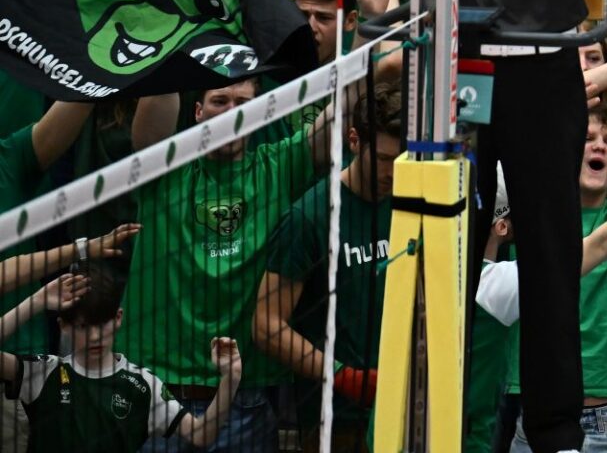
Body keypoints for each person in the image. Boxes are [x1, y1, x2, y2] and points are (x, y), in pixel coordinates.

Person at [357, 0, 607, 453]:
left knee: (549, 253)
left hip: (544, 74)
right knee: (446, 247)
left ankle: (555, 433)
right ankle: (430, 422)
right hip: (460, 71)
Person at [120, 77, 329, 453]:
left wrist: (368, 33)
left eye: (242, 102)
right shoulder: (164, 170)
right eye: (219, 101)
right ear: (197, 112)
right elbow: (156, 106)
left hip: (242, 400)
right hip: (156, 393)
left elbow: (341, 107)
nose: (231, 112)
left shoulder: (277, 167)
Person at [252, 82, 402, 447]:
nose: (393, 173)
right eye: (383, 159)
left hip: (402, 405)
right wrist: (342, 376)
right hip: (335, 418)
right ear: (354, 140)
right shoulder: (310, 217)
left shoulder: (411, 200)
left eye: (401, 160)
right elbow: (266, 325)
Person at [1, 263, 240, 452]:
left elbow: (201, 435)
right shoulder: (45, 373)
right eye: (84, 326)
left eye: (102, 323)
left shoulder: (142, 385)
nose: (95, 336)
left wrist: (231, 378)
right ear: (64, 326)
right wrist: (37, 301)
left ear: (118, 318)